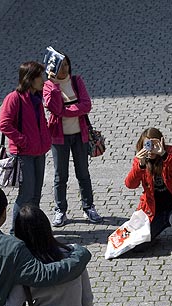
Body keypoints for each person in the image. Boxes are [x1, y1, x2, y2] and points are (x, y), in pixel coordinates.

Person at [43, 54, 102, 227]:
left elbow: (86, 105)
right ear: (53, 68)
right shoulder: (48, 86)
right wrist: (54, 85)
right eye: (61, 66)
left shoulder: (76, 81)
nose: (65, 69)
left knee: (83, 173)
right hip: (59, 138)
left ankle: (88, 207)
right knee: (60, 176)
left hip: (80, 135)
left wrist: (65, 110)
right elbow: (54, 107)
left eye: (67, 65)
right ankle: (60, 210)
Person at [125, 127, 172, 251]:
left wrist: (164, 155)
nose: (151, 149)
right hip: (154, 210)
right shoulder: (140, 160)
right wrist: (140, 165)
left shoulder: (168, 152)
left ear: (160, 143)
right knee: (136, 246)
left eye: (153, 145)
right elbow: (130, 184)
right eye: (147, 145)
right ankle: (153, 236)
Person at [0, 61, 52, 232]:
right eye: (39, 76)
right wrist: (22, 140)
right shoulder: (14, 99)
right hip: (23, 154)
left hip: (39, 151)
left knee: (36, 195)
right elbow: (4, 124)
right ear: (29, 79)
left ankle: (32, 230)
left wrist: (46, 137)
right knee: (26, 195)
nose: (43, 80)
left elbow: (40, 121)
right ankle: (16, 232)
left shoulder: (37, 97)